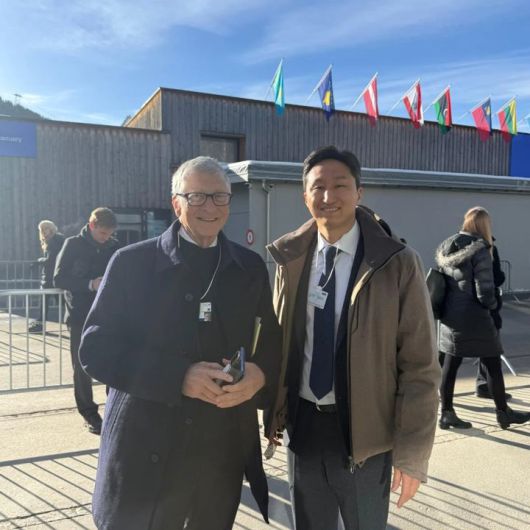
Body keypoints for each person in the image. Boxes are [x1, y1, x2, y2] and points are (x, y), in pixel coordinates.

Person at [78, 156, 282, 530]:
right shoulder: (131, 264)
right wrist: (178, 376)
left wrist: (260, 374)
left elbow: (270, 340)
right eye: (197, 196)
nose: (210, 207)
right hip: (146, 447)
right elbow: (95, 348)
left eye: (219, 196)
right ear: (176, 204)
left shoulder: (250, 267)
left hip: (219, 453)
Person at [265, 146, 440, 530]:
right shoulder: (291, 259)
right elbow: (279, 344)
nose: (329, 196)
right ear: (305, 196)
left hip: (366, 439)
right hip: (303, 430)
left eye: (340, 185)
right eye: (318, 187)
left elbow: (420, 366)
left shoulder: (396, 263)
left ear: (359, 192)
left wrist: (412, 454)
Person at [436, 206, 530, 430]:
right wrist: (494, 305)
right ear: (484, 225)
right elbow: (485, 290)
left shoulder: (447, 245)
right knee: (493, 362)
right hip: (475, 317)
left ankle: (446, 413)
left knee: (450, 364)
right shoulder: (480, 249)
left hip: (450, 316)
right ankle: (503, 413)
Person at [54, 207, 120, 434]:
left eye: (109, 234)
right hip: (79, 315)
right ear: (92, 226)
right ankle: (89, 413)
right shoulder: (72, 244)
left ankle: (113, 407)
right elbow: (59, 278)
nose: (106, 238)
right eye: (102, 233)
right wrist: (90, 284)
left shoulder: (114, 247)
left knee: (112, 360)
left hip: (108, 314)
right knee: (81, 366)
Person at [475, 239, 511, 400]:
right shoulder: (487, 248)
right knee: (491, 352)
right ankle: (499, 403)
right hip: (485, 307)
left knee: (452, 356)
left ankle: (446, 403)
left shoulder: (454, 245)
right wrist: (492, 304)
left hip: (460, 308)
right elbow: (495, 278)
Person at [28, 220, 65, 333]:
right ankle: (40, 323)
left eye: (46, 228)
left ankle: (40, 324)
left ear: (51, 228)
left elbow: (51, 260)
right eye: (41, 229)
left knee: (52, 302)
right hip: (54, 276)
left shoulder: (54, 241)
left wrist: (38, 261)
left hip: (51, 277)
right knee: (59, 302)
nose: (43, 231)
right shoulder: (56, 240)